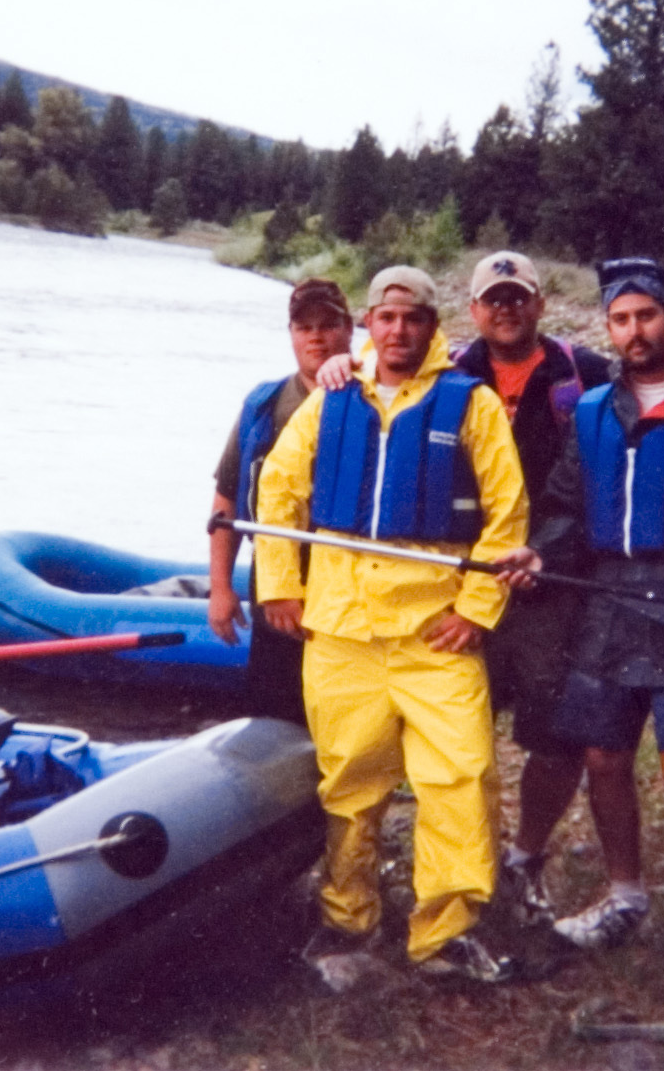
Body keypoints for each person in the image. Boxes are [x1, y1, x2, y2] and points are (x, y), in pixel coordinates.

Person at [254, 265, 530, 983]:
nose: (399, 330)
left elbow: (507, 515)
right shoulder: (330, 396)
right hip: (342, 630)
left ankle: (442, 932)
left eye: (413, 318)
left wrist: (477, 609)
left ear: (434, 327)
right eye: (386, 317)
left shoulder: (472, 405)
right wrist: (280, 584)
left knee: (461, 777)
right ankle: (347, 918)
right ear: (368, 324)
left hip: (433, 631)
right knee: (350, 781)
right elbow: (277, 492)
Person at [499, 257, 664, 1021]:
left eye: (647, 316)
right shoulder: (593, 410)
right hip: (609, 602)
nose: (634, 331)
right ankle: (625, 894)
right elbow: (570, 509)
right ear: (606, 328)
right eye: (620, 319)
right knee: (604, 757)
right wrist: (542, 552)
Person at [454, 251, 612, 926]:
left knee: (553, 735)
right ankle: (465, 861)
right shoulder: (448, 375)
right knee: (460, 733)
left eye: (519, 297)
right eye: (494, 298)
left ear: (540, 304)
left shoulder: (585, 375)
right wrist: (341, 363)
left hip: (553, 585)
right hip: (465, 586)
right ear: (474, 311)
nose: (507, 308)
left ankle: (525, 857)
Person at [206, 278, 354, 722]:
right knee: (274, 703)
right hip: (275, 573)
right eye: (304, 326)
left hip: (346, 577)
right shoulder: (265, 403)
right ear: (291, 334)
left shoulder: (371, 394)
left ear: (349, 330)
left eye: (328, 325)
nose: (316, 336)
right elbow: (226, 499)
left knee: (341, 709)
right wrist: (220, 588)